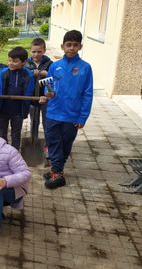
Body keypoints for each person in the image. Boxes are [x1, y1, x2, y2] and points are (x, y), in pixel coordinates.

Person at [43, 30, 93, 189]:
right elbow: (48, 87)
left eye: (75, 45)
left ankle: (57, 170)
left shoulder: (85, 68)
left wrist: (82, 117)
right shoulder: (54, 66)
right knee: (53, 142)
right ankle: (57, 171)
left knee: (65, 144)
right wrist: (48, 93)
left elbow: (88, 93)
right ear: (62, 46)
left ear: (80, 46)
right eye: (68, 45)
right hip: (53, 113)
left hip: (72, 116)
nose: (71, 48)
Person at [0, 46, 36, 150]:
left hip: (18, 111)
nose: (11, 63)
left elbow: (29, 92)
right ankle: (2, 151)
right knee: (1, 132)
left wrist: (28, 105)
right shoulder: (3, 73)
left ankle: (14, 152)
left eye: (15, 61)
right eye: (10, 60)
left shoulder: (28, 75)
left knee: (16, 133)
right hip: (3, 109)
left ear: (23, 62)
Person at [25, 38, 53, 155]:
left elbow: (52, 82)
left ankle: (48, 145)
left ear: (44, 51)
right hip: (32, 99)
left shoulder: (49, 64)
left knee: (47, 123)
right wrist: (32, 74)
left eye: (39, 51)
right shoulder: (26, 63)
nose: (36, 54)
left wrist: (47, 75)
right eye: (34, 52)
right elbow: (24, 77)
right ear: (30, 51)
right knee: (34, 121)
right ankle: (33, 142)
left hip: (45, 98)